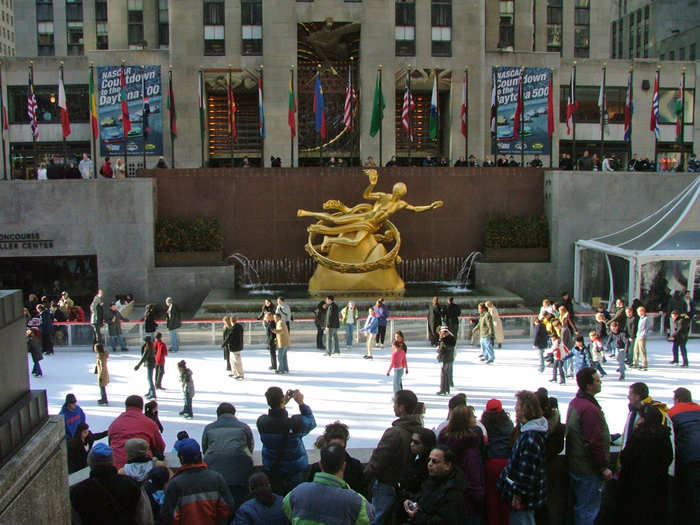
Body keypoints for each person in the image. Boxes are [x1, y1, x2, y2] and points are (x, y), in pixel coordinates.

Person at [364, 389, 422, 525]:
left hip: (386, 484)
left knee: (377, 518)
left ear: (401, 408)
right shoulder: (418, 430)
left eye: (395, 403)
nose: (393, 406)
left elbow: (378, 460)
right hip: (403, 486)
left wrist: (366, 475)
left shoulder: (395, 433)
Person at [283, 444, 374, 524]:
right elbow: (368, 520)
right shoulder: (357, 502)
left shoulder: (296, 493)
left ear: (320, 464)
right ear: (343, 466)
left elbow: (286, 510)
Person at [565, 368, 611, 525]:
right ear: (589, 386)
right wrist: (603, 467)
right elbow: (594, 441)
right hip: (588, 470)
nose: (600, 383)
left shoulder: (576, 403)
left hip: (577, 465)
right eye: (597, 380)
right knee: (587, 510)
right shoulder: (589, 409)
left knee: (581, 508)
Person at [497, 390, 548, 525]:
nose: (515, 408)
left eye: (518, 405)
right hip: (526, 496)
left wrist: (518, 494)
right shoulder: (527, 432)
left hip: (524, 498)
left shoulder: (530, 437)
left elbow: (526, 471)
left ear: (526, 409)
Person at [618, 404, 673, 525]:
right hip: (659, 482)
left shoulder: (638, 435)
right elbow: (669, 457)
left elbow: (626, 457)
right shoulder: (664, 435)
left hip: (637, 483)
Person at [69, 443, 151, 525]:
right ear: (112, 461)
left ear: (90, 462)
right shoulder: (132, 485)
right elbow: (145, 518)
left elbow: (74, 520)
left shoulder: (77, 492)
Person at [160, 438, 234, 524]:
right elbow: (227, 509)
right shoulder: (217, 478)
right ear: (200, 455)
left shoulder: (174, 484)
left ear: (181, 458)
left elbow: (169, 517)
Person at [257, 387, 316, 495]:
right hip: (295, 471)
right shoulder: (295, 423)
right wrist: (301, 403)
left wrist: (281, 404)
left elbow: (276, 418)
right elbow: (311, 422)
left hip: (273, 470)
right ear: (281, 400)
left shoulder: (262, 422)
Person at [437, 405, 485, 523]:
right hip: (467, 504)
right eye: (473, 416)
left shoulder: (444, 442)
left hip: (445, 499)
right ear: (466, 420)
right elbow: (474, 477)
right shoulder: (470, 448)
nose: (475, 418)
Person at [202, 402, 254, 508]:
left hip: (214, 473)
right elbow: (250, 447)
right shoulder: (244, 427)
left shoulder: (209, 428)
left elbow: (205, 448)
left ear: (218, 414)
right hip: (240, 474)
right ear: (234, 414)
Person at [402, 445, 465, 525]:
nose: (429, 464)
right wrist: (411, 502)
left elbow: (444, 521)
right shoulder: (432, 480)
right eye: (429, 460)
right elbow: (422, 500)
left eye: (435, 461)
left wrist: (417, 516)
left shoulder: (453, 491)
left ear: (447, 465)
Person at [308, 421, 369, 499]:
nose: (337, 450)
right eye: (334, 446)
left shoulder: (355, 466)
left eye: (340, 448)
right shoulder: (316, 468)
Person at [668, 387, 700, 525]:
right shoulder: (698, 409)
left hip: (688, 456)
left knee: (690, 491)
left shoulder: (671, 413)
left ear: (678, 399)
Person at [391, 428, 436, 524]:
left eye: (416, 443)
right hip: (404, 501)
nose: (412, 444)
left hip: (416, 505)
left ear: (427, 445)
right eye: (411, 441)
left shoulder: (429, 465)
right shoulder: (412, 457)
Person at [108, 395, 165, 469]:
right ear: (141, 407)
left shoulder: (115, 424)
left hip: (117, 466)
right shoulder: (149, 423)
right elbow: (160, 446)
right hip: (142, 466)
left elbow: (110, 443)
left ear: (126, 406)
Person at [481, 399, 514, 525]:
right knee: (505, 498)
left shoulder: (484, 425)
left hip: (491, 463)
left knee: (491, 498)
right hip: (506, 462)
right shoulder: (508, 424)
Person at [223, 315, 245, 380]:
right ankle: (234, 372)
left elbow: (230, 336)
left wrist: (224, 344)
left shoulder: (234, 327)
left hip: (236, 347)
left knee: (237, 361)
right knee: (232, 360)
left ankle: (240, 374)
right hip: (234, 347)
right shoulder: (238, 326)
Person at [436, 326, 456, 396]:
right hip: (449, 358)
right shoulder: (452, 338)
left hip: (445, 359)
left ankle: (443, 390)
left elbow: (442, 350)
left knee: (443, 375)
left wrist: (438, 350)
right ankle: (446, 389)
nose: (442, 333)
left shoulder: (444, 340)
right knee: (446, 374)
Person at [633, 305, 649, 370]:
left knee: (642, 350)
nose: (638, 313)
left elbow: (646, 328)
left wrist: (642, 336)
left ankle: (644, 364)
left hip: (642, 336)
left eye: (638, 312)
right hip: (638, 335)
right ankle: (635, 363)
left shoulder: (646, 319)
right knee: (636, 350)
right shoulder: (641, 318)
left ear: (642, 311)